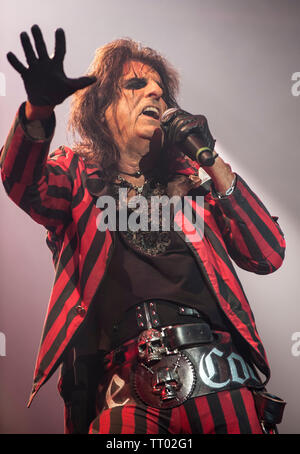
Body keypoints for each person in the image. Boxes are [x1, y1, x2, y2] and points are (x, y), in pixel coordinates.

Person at [1, 25, 286, 435]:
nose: (156, 93)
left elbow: (268, 254)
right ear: (102, 109)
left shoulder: (196, 186)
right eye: (137, 84)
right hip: (124, 393)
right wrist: (38, 111)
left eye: (161, 89)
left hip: (222, 381)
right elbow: (22, 183)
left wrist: (211, 160)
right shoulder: (77, 174)